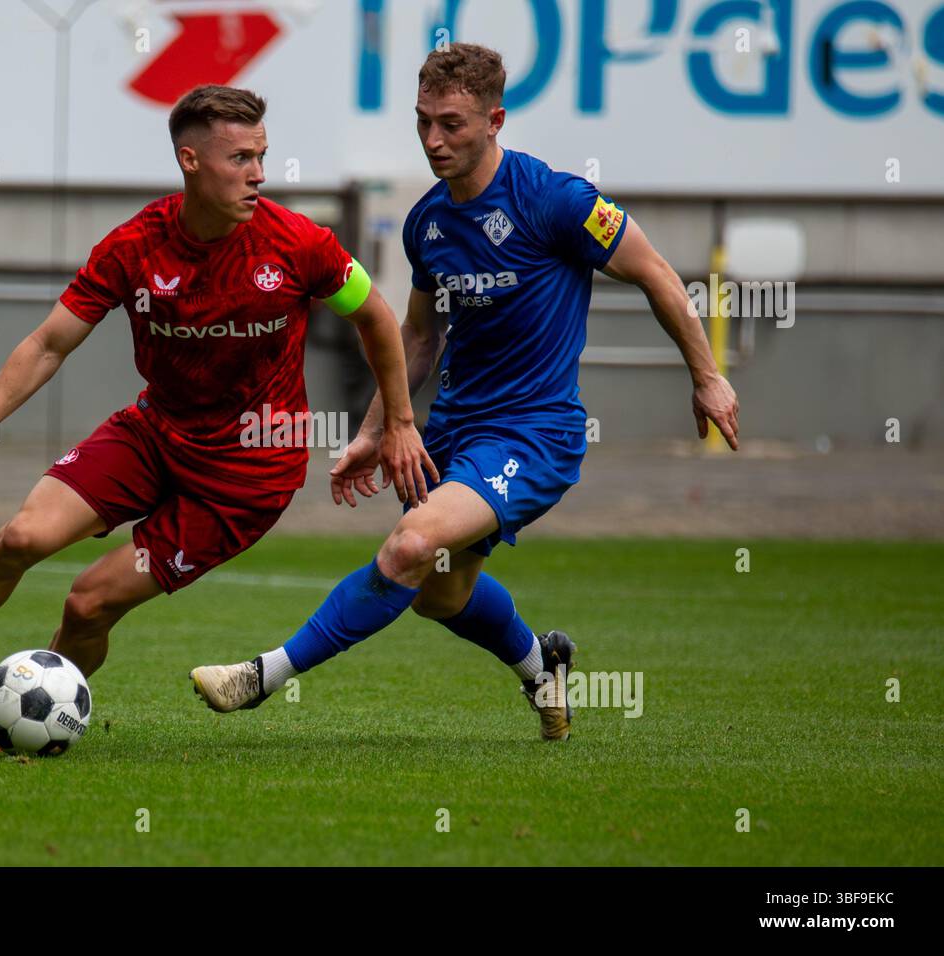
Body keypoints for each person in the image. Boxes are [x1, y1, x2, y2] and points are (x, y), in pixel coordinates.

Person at [0, 84, 435, 751]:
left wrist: (395, 424)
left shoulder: (297, 244)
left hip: (246, 475)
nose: (259, 175)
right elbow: (50, 342)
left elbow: (376, 316)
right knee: (22, 538)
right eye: (239, 159)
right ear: (190, 161)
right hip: (154, 432)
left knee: (88, 602)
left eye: (262, 157)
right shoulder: (137, 245)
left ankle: (39, 722)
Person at [189, 45, 740, 741]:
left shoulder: (558, 200)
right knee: (440, 594)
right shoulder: (428, 224)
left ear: (495, 119)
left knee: (409, 547)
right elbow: (418, 339)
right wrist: (375, 428)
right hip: (453, 432)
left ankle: (260, 676)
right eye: (422, 122)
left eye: (450, 124)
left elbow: (658, 273)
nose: (432, 140)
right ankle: (544, 668)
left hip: (534, 435)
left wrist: (707, 374)